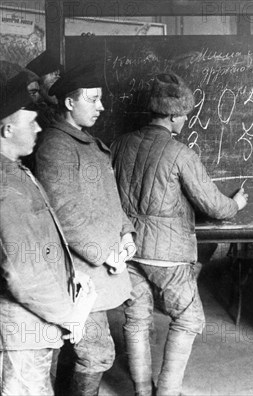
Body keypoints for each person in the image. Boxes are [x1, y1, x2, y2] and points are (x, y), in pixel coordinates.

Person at [111, 73, 248, 396]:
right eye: (184, 115)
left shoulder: (120, 144)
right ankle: (167, 392)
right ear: (172, 116)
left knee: (136, 318)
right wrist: (236, 204)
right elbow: (213, 205)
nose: (187, 120)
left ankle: (142, 389)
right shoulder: (180, 154)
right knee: (188, 320)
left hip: (128, 246)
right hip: (167, 252)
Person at [33, 63, 136, 395]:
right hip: (80, 272)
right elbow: (64, 212)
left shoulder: (87, 142)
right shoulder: (56, 146)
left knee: (81, 352)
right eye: (93, 99)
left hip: (100, 265)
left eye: (100, 99)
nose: (101, 106)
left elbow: (111, 198)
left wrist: (126, 232)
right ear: (68, 103)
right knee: (96, 353)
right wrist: (103, 252)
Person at [0, 71, 96, 395]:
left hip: (31, 324)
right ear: (7, 128)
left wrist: (70, 272)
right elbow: (20, 272)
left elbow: (39, 242)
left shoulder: (15, 172)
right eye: (32, 122)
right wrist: (70, 315)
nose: (40, 127)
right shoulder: (5, 187)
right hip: (20, 332)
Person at [25, 51, 62, 129]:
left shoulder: (56, 109)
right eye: (54, 74)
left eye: (58, 74)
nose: (58, 78)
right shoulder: (33, 113)